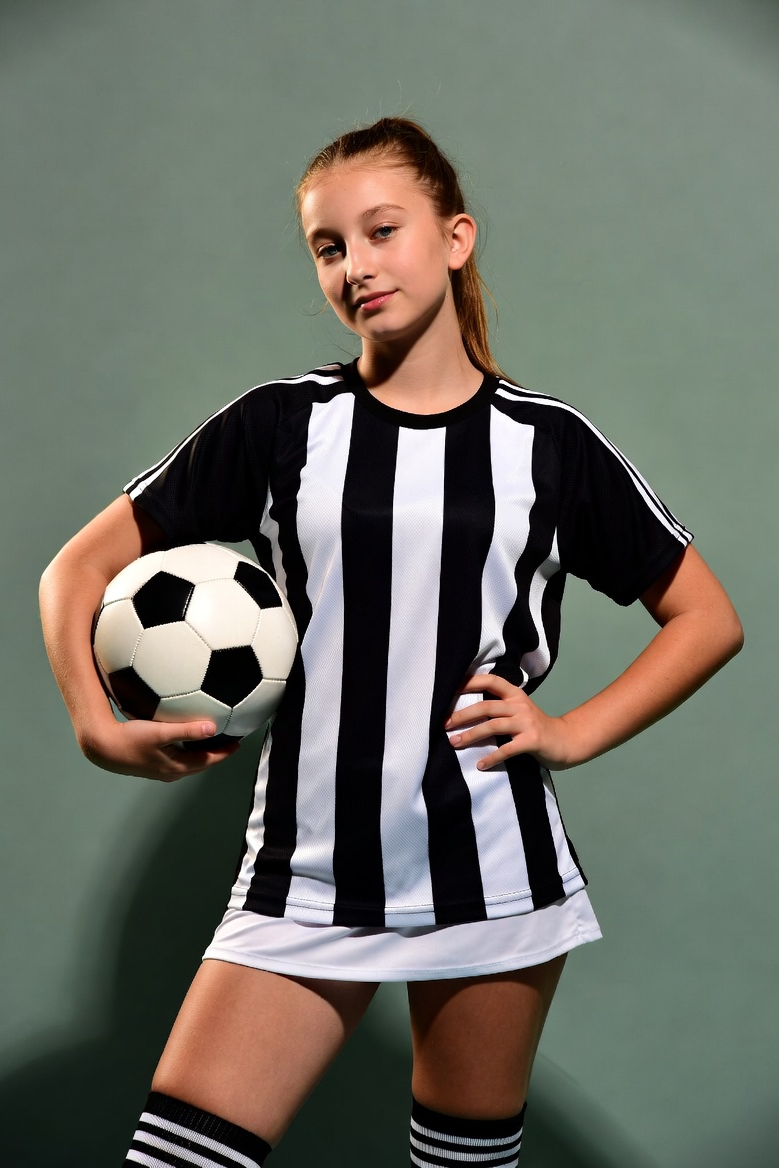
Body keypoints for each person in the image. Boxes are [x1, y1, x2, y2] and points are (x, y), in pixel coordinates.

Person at [39, 117, 743, 1168]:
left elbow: (707, 618)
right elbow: (75, 572)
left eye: (382, 231)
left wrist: (570, 732)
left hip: (491, 870)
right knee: (177, 1157)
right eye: (329, 246)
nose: (356, 266)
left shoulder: (547, 446)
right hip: (305, 868)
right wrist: (100, 729)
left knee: (460, 1163)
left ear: (455, 239)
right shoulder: (281, 425)